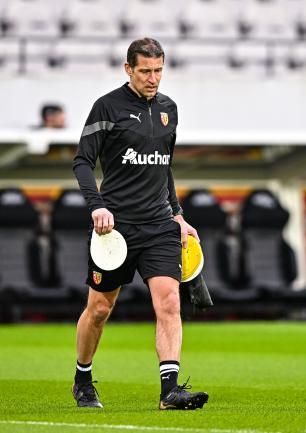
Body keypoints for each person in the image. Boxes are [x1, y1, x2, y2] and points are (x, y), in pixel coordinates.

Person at [71, 38, 209, 411]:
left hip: (158, 224)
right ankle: (83, 377)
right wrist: (96, 206)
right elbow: (82, 162)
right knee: (99, 310)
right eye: (145, 70)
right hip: (114, 230)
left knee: (168, 303)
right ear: (128, 69)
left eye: (159, 70)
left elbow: (164, 167)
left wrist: (177, 214)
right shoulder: (107, 106)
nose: (153, 78)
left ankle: (170, 391)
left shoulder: (169, 109)